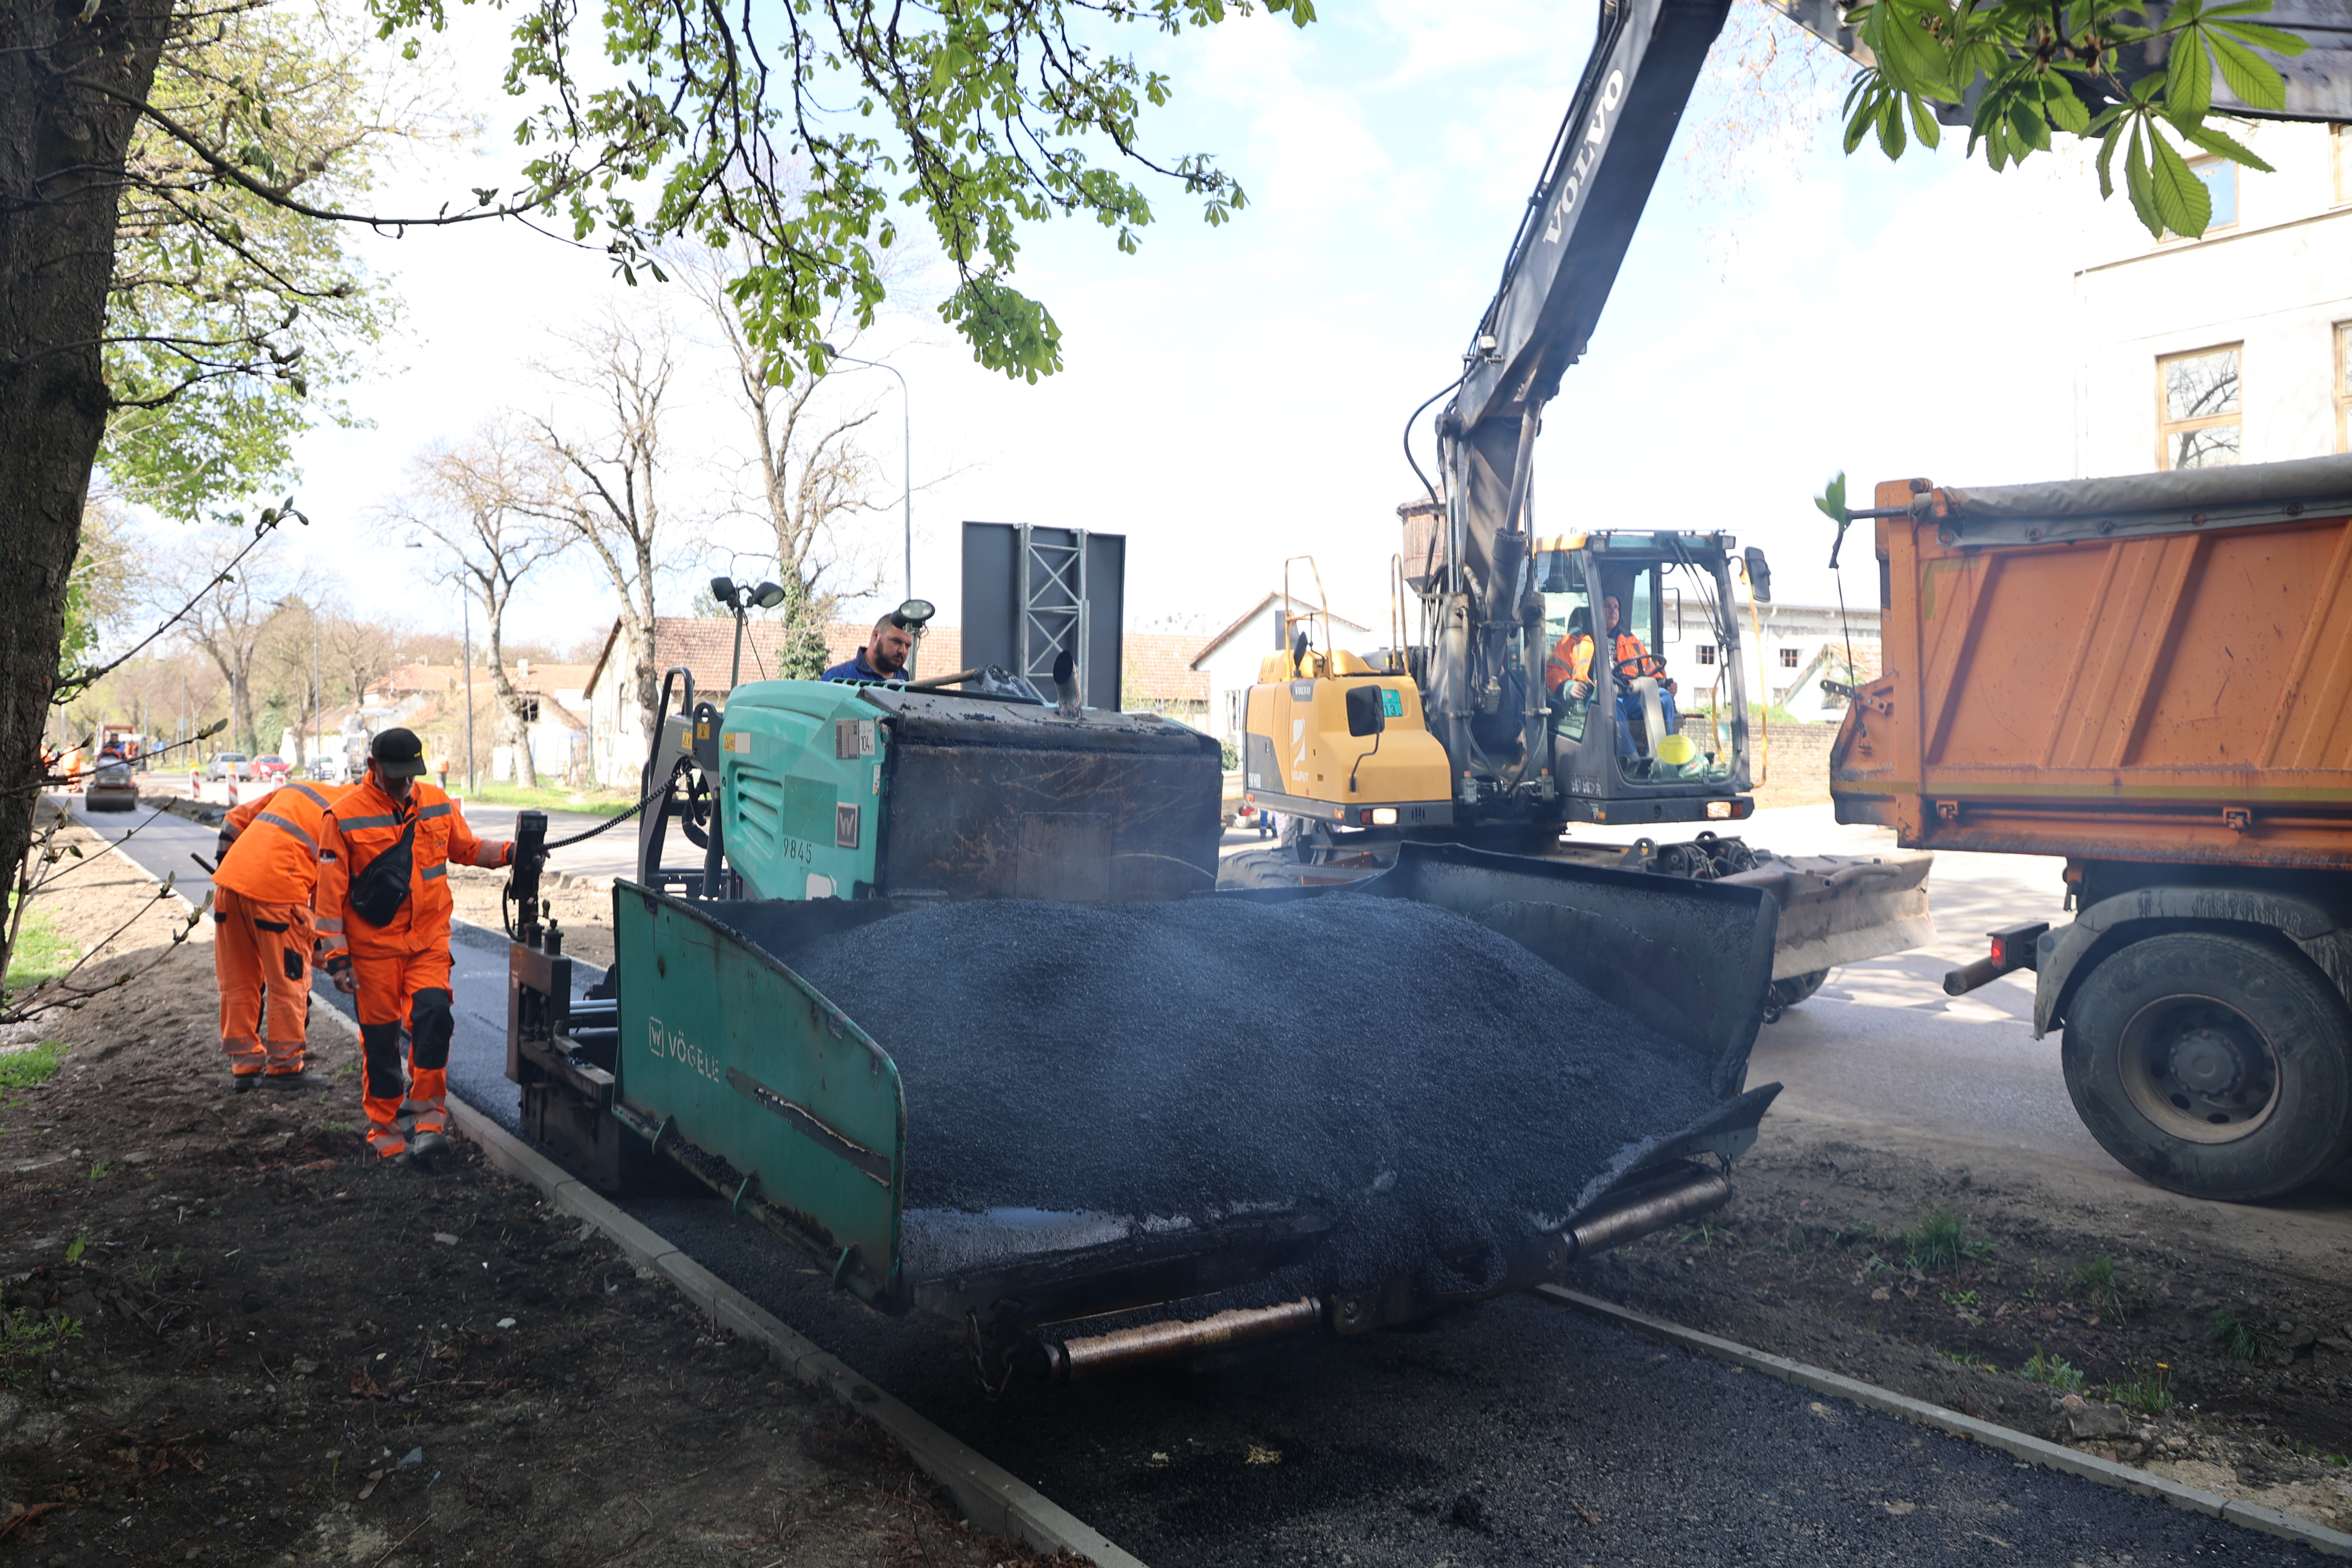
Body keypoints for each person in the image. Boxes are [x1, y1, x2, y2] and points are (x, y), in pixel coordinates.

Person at [314, 727, 516, 1167]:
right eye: (396, 775)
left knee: (434, 1017)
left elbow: (466, 848)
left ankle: (427, 1123)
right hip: (373, 952)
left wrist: (510, 853)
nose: (406, 783)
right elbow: (328, 897)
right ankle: (387, 1135)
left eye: (412, 774)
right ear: (373, 767)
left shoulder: (437, 803)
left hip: (427, 944)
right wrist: (337, 958)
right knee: (381, 1045)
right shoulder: (343, 817)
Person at [211, 775, 351, 1090]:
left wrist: (226, 866)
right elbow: (330, 895)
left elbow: (233, 820)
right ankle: (285, 1067)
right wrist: (328, 949)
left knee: (239, 981)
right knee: (288, 983)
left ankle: (244, 1065)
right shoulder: (352, 818)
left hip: (228, 888)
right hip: (279, 895)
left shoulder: (299, 789)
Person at [1545, 592, 1679, 757]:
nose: (1613, 611)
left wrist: (1664, 683)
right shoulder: (1574, 640)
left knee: (1664, 697)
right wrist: (1569, 687)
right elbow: (1554, 669)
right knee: (1611, 704)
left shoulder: (1631, 641)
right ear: (1596, 610)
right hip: (1595, 698)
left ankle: (1666, 754)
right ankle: (1630, 760)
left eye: (1616, 607)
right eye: (1607, 606)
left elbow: (1650, 670)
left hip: (1629, 696)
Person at [821, 613, 915, 683]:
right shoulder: (838, 678)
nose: (903, 651)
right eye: (896, 642)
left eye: (908, 646)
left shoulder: (909, 683)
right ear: (876, 635)